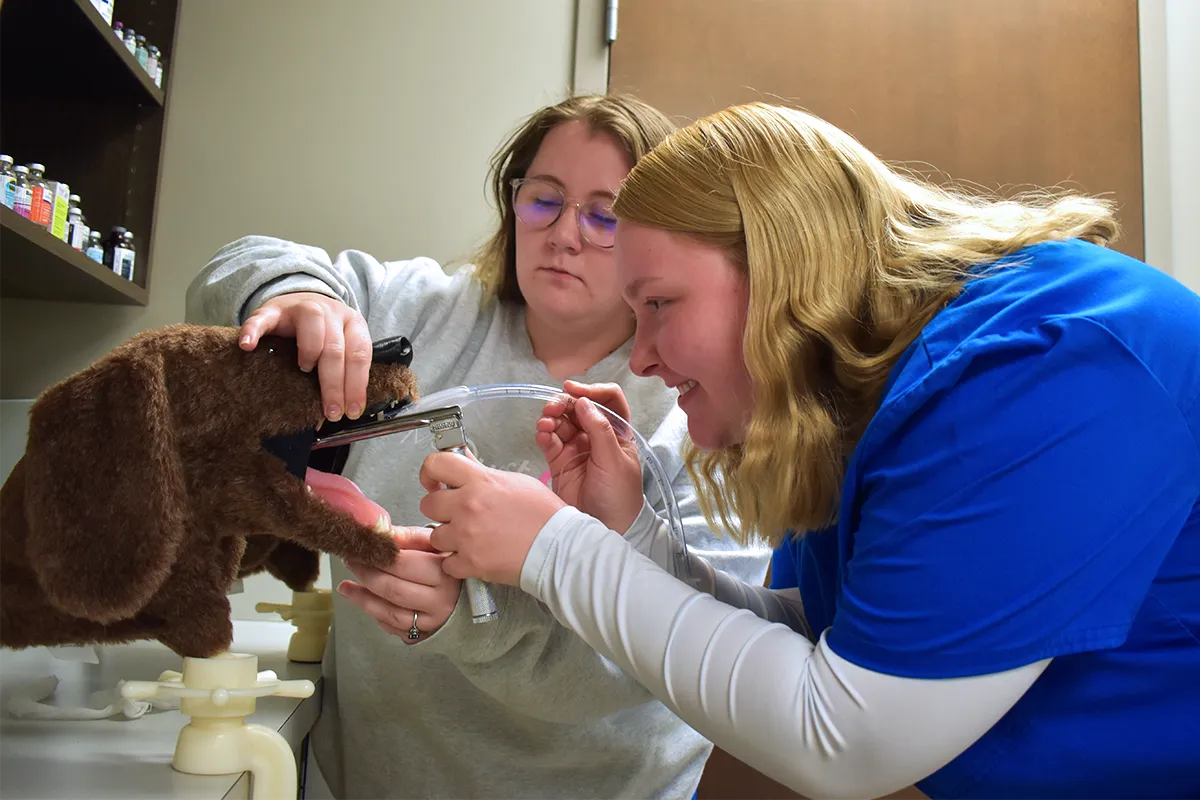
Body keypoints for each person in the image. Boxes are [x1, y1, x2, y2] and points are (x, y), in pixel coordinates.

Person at [417, 102, 1200, 800]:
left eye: (658, 304)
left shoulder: (1039, 370)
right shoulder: (854, 400)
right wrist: (637, 538)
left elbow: (842, 740)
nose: (644, 357)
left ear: (783, 270)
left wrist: (552, 548)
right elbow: (809, 638)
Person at [184, 95, 772, 800]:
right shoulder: (424, 310)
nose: (563, 235)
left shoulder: (697, 404)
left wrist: (471, 617)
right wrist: (301, 296)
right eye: (542, 201)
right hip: (369, 773)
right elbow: (236, 266)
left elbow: (686, 662)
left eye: (605, 215)